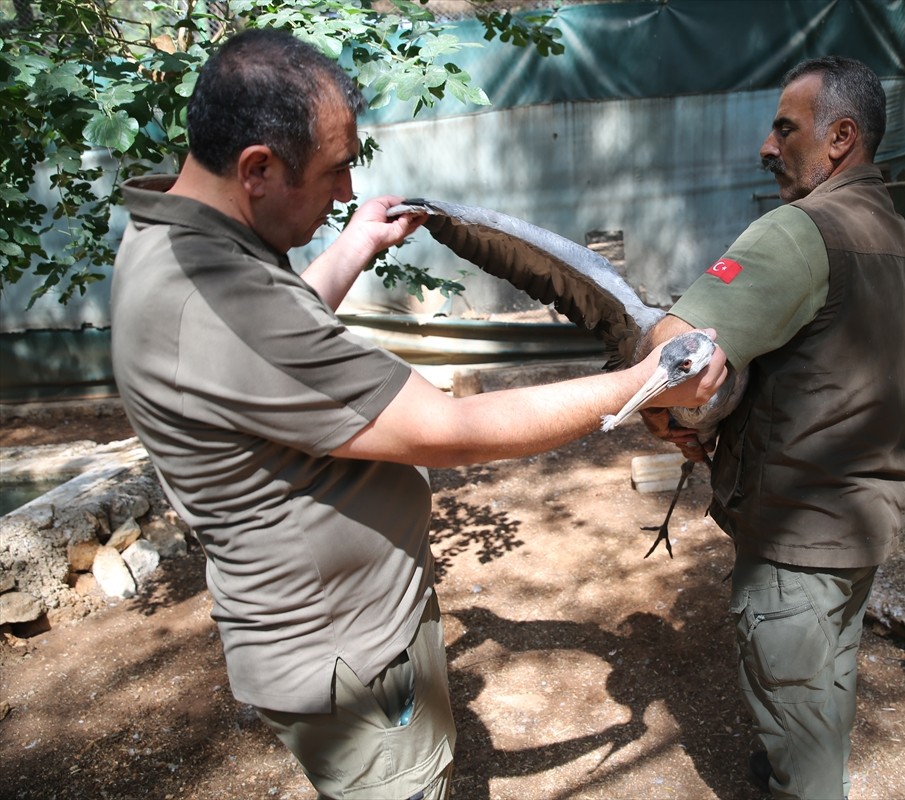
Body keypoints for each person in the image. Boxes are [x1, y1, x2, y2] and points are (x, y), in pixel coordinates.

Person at [108, 28, 725, 800]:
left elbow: (264, 341)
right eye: (334, 171)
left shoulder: (170, 240)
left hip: (329, 631)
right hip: (349, 660)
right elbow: (448, 432)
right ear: (257, 169)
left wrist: (351, 249)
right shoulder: (216, 300)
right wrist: (644, 383)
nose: (345, 194)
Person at [638, 56, 905, 799]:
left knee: (799, 728)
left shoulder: (800, 231)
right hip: (861, 522)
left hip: (797, 541)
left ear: (840, 138)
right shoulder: (896, 235)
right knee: (824, 679)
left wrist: (667, 415)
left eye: (785, 129)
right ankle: (794, 766)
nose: (766, 147)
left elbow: (675, 355)